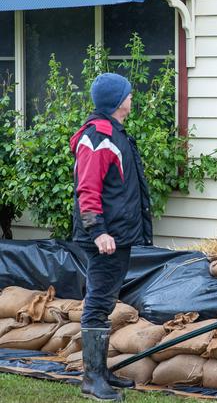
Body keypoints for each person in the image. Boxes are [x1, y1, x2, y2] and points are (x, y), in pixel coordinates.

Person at [70, 72, 153, 401]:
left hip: (117, 235)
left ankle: (102, 372)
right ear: (118, 101)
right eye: (128, 94)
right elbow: (87, 189)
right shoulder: (98, 136)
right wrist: (98, 231)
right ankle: (92, 380)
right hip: (104, 238)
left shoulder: (114, 133)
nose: (132, 98)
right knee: (98, 303)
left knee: (104, 301)